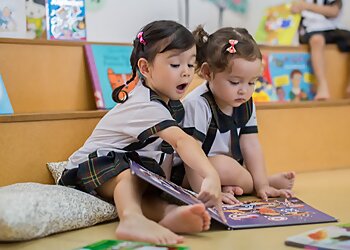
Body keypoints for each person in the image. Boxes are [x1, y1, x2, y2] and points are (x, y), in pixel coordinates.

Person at [58, 20, 225, 245]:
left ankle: (167, 215)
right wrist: (210, 175)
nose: (186, 73)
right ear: (145, 68)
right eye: (175, 65)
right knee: (129, 173)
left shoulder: (172, 104)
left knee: (147, 181)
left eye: (190, 64)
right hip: (88, 169)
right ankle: (131, 218)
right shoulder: (145, 104)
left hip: (131, 170)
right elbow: (181, 141)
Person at [172, 26, 295, 205]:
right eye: (235, 82)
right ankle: (250, 182)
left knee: (237, 169)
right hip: (189, 173)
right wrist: (203, 193)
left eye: (252, 82)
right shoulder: (197, 104)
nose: (244, 90)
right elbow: (191, 155)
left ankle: (258, 182)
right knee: (228, 167)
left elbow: (251, 144)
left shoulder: (245, 101)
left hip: (227, 167)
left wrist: (262, 187)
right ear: (207, 73)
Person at [291, 0, 350, 100]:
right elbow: (294, 7)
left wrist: (306, 6)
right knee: (317, 40)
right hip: (310, 29)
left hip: (331, 27)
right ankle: (322, 86)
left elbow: (334, 11)